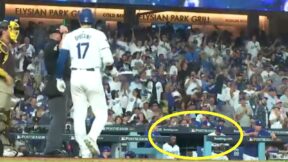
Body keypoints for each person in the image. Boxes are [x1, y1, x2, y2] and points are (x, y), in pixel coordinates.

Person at [55, 8, 117, 158]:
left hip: (76, 75)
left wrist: (58, 78)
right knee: (101, 114)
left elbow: (62, 59)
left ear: (79, 20)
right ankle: (92, 137)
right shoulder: (98, 34)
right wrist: (112, 71)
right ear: (93, 20)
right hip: (92, 75)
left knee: (79, 114)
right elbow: (108, 60)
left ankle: (84, 151)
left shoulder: (70, 36)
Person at [43, 25, 70, 156]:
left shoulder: (58, 47)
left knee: (62, 117)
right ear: (52, 35)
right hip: (55, 83)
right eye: (58, 33)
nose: (60, 35)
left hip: (62, 83)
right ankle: (51, 149)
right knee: (59, 117)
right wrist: (65, 35)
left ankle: (54, 146)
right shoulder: (50, 45)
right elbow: (61, 47)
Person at [0, 20, 20, 156]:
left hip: (8, 87)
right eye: (10, 29)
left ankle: (6, 146)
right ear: (4, 30)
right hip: (1, 84)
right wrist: (6, 75)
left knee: (5, 119)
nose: (14, 31)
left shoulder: (8, 47)